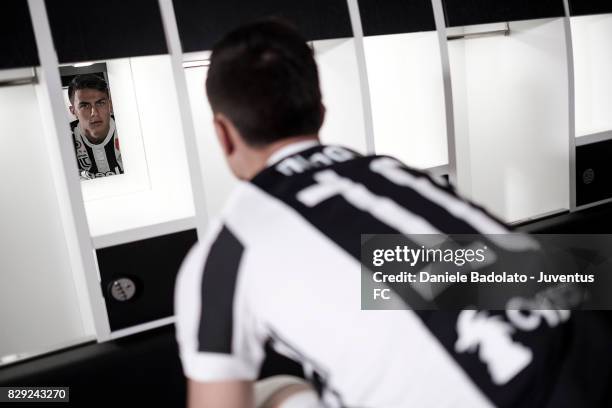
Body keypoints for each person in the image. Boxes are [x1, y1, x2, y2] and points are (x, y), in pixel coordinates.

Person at [174, 20, 612, 408]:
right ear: (320, 110)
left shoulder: (224, 254)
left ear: (223, 134)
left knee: (281, 394)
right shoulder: (390, 173)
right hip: (591, 351)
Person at [68, 74, 123, 180]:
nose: (94, 113)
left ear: (110, 105)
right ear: (73, 111)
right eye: (84, 105)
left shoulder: (131, 128)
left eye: (100, 103)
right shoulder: (63, 140)